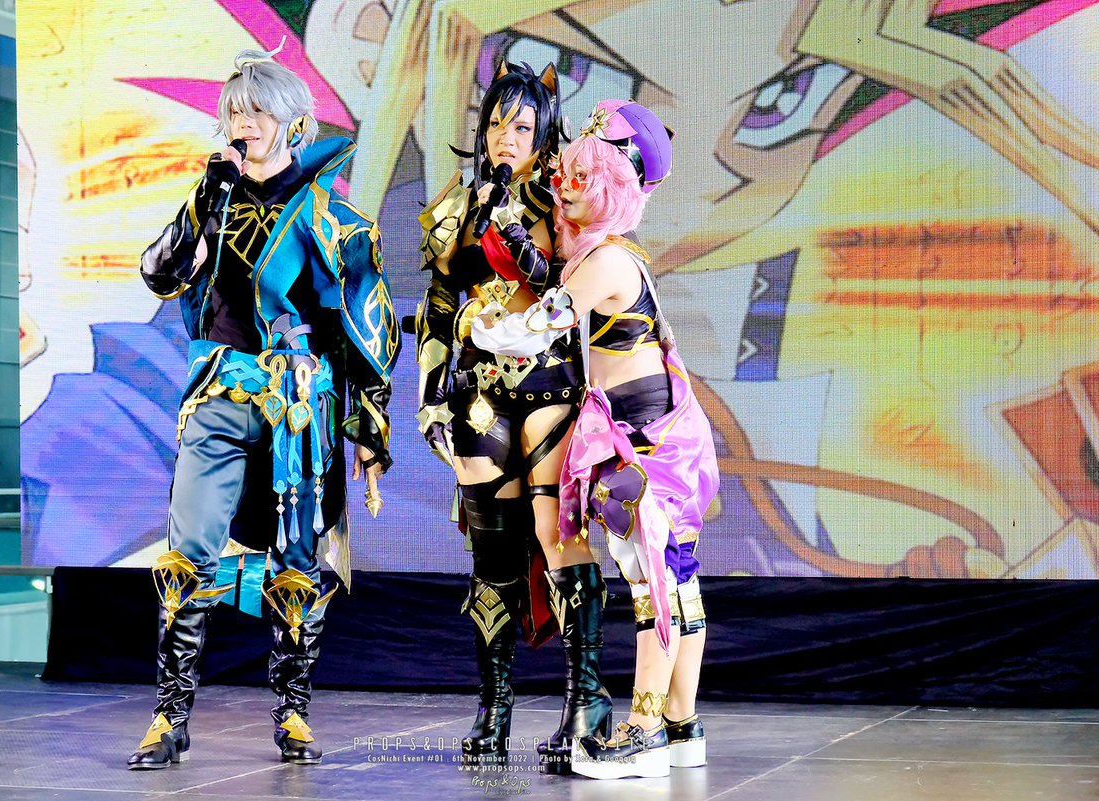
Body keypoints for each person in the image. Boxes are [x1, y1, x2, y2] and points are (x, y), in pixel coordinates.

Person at [126, 43, 399, 769]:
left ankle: (293, 714)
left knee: (297, 565)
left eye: (256, 112)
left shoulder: (331, 217)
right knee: (185, 556)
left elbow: (368, 325)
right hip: (217, 393)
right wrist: (201, 199)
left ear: (294, 123)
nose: (242, 124)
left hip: (297, 410)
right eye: (234, 113)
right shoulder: (212, 199)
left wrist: (370, 429)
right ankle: (169, 717)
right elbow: (158, 273)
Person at [472, 100, 720, 779]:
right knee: (676, 579)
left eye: (580, 176)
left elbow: (534, 328)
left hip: (644, 438)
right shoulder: (611, 255)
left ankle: (644, 730)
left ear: (610, 185)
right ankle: (681, 725)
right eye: (566, 173)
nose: (563, 184)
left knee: (653, 581)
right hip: (652, 426)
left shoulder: (608, 260)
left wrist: (483, 324)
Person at [415, 61, 611, 772]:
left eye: (522, 126)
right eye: (497, 123)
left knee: (560, 541)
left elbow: (572, 285)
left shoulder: (566, 200)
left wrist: (515, 230)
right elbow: (439, 305)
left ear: (544, 131)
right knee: (492, 559)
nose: (506, 136)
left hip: (551, 385)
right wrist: (429, 394)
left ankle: (585, 701)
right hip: (478, 393)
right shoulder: (458, 207)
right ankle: (493, 707)